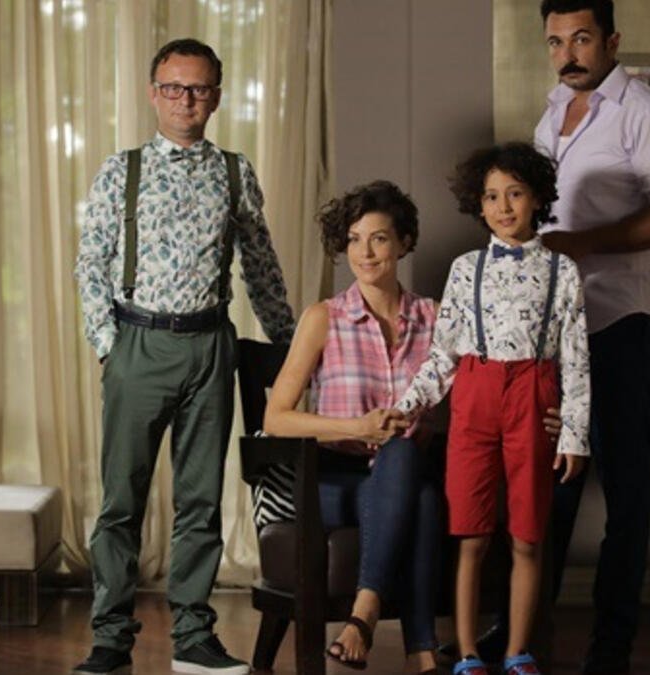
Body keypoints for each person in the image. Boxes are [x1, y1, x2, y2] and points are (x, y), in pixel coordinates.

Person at [73, 38, 296, 675]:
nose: (185, 100)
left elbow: (260, 265)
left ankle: (194, 637)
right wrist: (109, 346)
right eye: (173, 88)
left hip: (210, 346)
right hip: (138, 342)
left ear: (216, 97)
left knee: (201, 500)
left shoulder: (235, 171)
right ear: (154, 94)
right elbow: (90, 264)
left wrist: (289, 347)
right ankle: (110, 639)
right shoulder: (122, 170)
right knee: (122, 501)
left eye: (198, 89)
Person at [535, 2, 650, 673]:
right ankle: (523, 637)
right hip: (558, 328)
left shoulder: (643, 111)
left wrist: (583, 244)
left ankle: (611, 649)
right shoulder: (551, 113)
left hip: (624, 322)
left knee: (625, 493)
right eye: (555, 42)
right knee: (553, 487)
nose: (568, 54)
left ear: (610, 40)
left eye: (581, 39)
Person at [395, 143, 590, 675]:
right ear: (477, 205)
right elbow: (443, 354)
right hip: (475, 399)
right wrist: (409, 406)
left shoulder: (563, 271)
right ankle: (468, 654)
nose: (503, 207)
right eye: (491, 197)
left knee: (527, 536)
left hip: (534, 393)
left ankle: (518, 652)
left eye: (515, 194)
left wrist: (574, 433)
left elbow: (576, 358)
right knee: (472, 535)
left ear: (537, 198)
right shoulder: (466, 269)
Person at [263, 180, 443, 675]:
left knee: (409, 464)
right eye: (355, 239)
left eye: (379, 238)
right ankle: (418, 649)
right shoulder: (324, 318)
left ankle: (368, 619)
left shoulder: (434, 318)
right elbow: (275, 418)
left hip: (405, 470)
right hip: (330, 479)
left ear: (404, 242)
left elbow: (471, 389)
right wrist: (357, 426)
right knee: (421, 493)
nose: (364, 253)